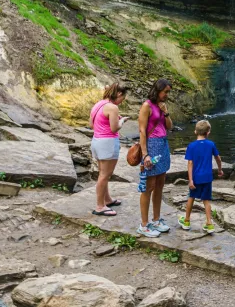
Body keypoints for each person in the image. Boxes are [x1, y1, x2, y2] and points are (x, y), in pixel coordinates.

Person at [137, 78, 173, 238]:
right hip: (151, 146)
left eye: (168, 92)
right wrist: (145, 154)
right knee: (148, 186)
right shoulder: (147, 106)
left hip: (163, 146)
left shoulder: (162, 106)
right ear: (157, 90)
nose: (167, 95)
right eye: (165, 92)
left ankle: (156, 219)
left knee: (160, 185)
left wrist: (166, 112)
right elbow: (142, 131)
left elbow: (170, 126)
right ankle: (144, 225)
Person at [90, 82, 129, 216]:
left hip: (96, 141)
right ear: (119, 94)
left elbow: (92, 125)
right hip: (108, 143)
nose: (121, 101)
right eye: (122, 98)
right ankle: (100, 206)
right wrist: (122, 121)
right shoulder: (112, 107)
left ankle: (107, 199)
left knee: (103, 173)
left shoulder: (98, 104)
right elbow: (114, 128)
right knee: (105, 175)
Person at [178, 119, 223, 233]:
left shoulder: (191, 146)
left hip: (196, 178)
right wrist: (220, 169)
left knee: (191, 198)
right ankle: (209, 223)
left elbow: (190, 163)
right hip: (207, 177)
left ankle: (187, 221)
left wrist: (190, 180)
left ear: (195, 132)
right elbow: (218, 158)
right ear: (208, 132)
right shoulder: (211, 144)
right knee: (206, 200)